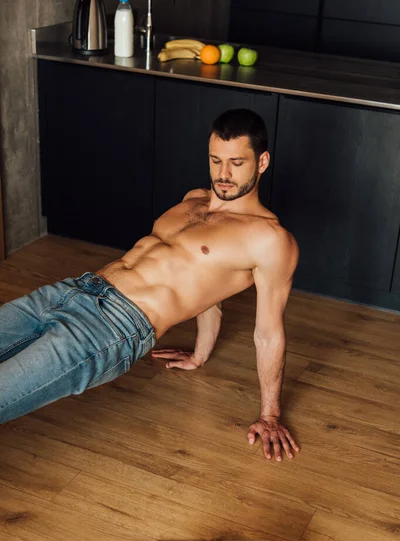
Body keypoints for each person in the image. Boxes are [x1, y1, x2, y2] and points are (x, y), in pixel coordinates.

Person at [0, 109, 299, 462]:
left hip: (110, 329)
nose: (223, 174)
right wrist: (201, 353)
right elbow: (207, 289)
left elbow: (268, 334)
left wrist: (270, 415)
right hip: (70, 292)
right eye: (215, 160)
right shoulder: (193, 198)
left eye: (236, 163)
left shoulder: (269, 239)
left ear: (262, 162)